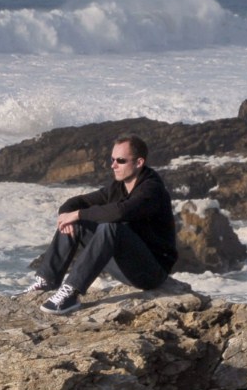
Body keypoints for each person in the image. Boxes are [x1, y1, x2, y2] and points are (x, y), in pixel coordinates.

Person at [25, 134, 177, 314]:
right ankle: (46, 281)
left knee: (110, 226)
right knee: (78, 223)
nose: (113, 165)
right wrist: (66, 215)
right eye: (112, 159)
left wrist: (77, 214)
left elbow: (120, 212)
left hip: (151, 273)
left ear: (139, 162)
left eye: (120, 161)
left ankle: (71, 293)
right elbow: (79, 202)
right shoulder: (119, 187)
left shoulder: (152, 189)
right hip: (126, 265)